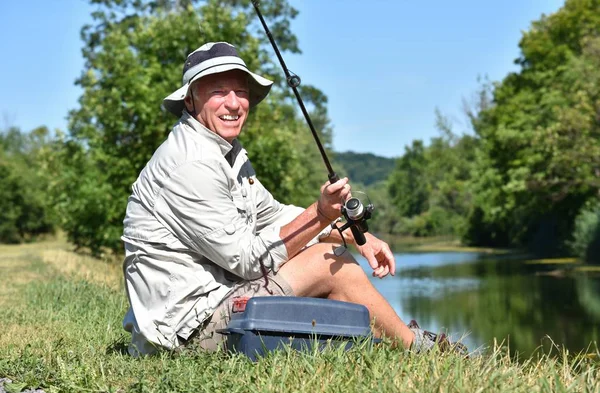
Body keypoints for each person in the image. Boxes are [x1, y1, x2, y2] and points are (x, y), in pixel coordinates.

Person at [121, 41, 463, 356]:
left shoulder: (224, 153)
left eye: (241, 92)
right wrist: (320, 214)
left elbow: (276, 215)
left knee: (332, 261)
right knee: (330, 264)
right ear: (190, 100)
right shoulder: (191, 163)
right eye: (218, 92)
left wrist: (357, 235)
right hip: (187, 334)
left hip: (207, 309)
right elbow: (247, 259)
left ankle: (396, 344)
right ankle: (416, 348)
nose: (234, 103)